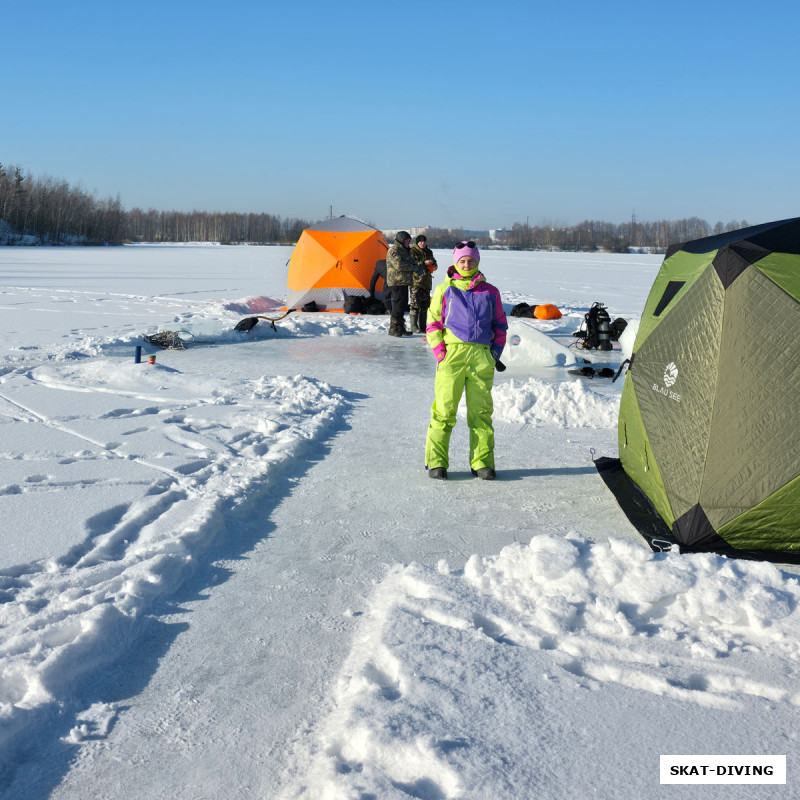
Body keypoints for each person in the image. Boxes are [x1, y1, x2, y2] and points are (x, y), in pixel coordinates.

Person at [424, 241, 508, 480]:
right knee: (444, 411)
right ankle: (437, 462)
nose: (466, 264)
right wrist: (441, 353)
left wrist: (493, 354)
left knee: (481, 413)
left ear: (477, 261)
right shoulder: (444, 290)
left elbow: (500, 325)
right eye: (462, 260)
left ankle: (482, 462)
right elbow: (433, 323)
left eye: (471, 260)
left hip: (481, 357)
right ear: (455, 262)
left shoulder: (490, 292)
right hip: (452, 356)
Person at [386, 230, 425, 337]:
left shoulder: (406, 251)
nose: (408, 242)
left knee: (402, 305)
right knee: (397, 305)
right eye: (406, 240)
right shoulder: (394, 250)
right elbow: (399, 265)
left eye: (409, 240)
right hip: (396, 282)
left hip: (404, 281)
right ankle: (394, 328)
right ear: (401, 240)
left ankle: (400, 327)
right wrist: (413, 268)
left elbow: (411, 262)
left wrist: (418, 267)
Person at [409, 235, 438, 333]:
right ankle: (414, 326)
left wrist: (433, 265)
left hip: (426, 282)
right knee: (415, 304)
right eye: (421, 241)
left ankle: (422, 326)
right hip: (416, 282)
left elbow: (434, 262)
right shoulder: (412, 251)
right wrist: (424, 263)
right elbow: (411, 264)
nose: (423, 243)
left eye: (424, 241)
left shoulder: (429, 252)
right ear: (417, 242)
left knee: (425, 305)